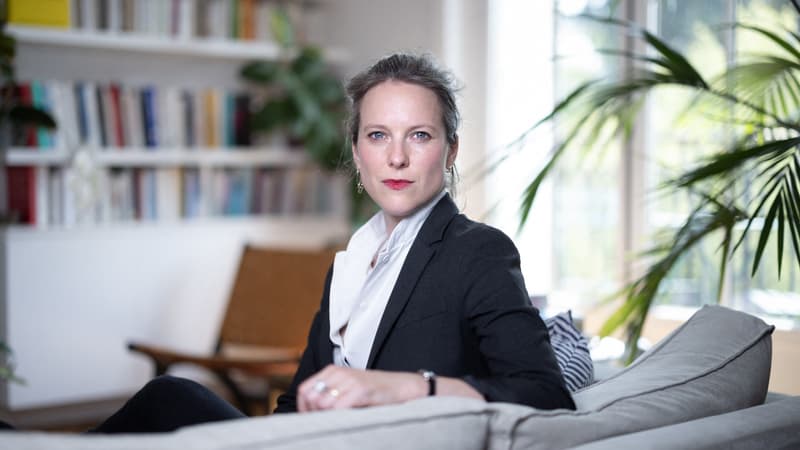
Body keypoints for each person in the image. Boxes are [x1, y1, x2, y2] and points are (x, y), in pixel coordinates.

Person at [1, 53, 574, 434]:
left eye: (418, 135)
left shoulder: (478, 251)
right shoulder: (352, 263)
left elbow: (546, 394)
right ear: (357, 153)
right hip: (312, 442)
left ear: (450, 150)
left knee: (169, 397)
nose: (396, 157)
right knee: (171, 400)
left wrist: (406, 388)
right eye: (378, 135)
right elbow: (297, 400)